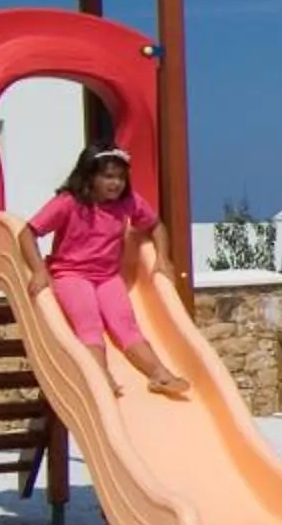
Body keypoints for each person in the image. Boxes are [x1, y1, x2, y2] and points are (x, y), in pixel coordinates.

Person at [26, 146, 191, 401]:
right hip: (71, 274)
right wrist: (38, 270)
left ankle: (159, 374)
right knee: (90, 324)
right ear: (90, 176)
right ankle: (100, 375)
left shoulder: (128, 202)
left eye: (120, 177)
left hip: (107, 276)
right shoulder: (69, 203)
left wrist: (163, 258)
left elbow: (156, 226)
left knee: (126, 325)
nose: (116, 183)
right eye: (108, 177)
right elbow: (27, 233)